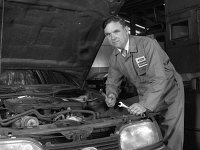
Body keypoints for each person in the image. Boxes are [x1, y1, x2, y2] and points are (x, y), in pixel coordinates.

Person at [103, 15, 184, 150]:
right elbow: (112, 81)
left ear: (126, 30)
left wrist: (144, 104)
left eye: (116, 31)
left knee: (172, 134)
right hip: (146, 95)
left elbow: (159, 78)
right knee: (150, 134)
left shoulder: (147, 44)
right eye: (108, 34)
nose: (112, 37)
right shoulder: (115, 57)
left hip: (170, 92)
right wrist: (111, 94)